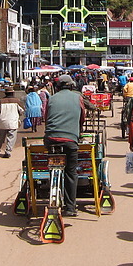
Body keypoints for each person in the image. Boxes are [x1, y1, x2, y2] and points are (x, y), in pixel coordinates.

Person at [43, 74, 85, 217]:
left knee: (53, 165)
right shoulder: (78, 98)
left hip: (51, 139)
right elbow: (82, 118)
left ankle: (52, 189)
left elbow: (46, 118)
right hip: (70, 141)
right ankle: (71, 207)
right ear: (72, 86)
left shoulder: (51, 99)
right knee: (71, 172)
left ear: (58, 86)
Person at [0, 88, 24, 158]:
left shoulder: (0, 101)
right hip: (13, 122)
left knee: (0, 138)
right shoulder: (17, 101)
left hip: (2, 123)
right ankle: (8, 151)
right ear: (12, 93)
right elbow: (22, 111)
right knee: (11, 138)